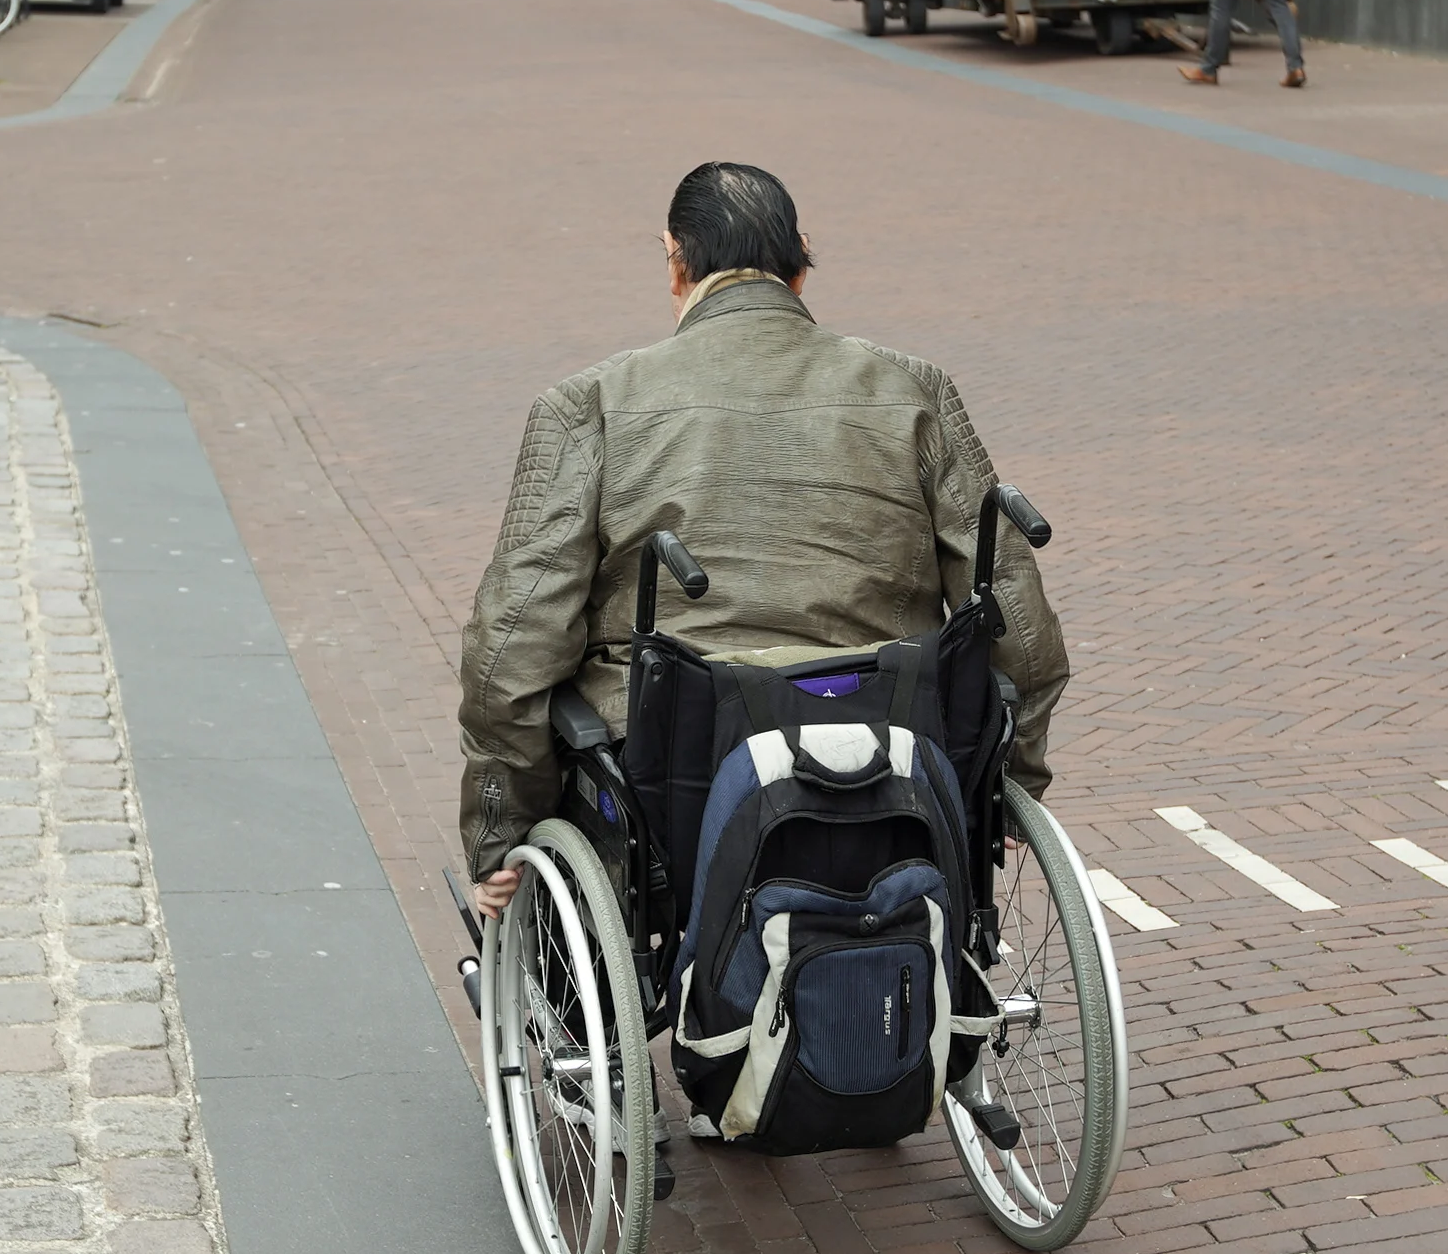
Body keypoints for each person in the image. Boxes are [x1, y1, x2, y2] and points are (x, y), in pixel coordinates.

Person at [458, 161, 1070, 922]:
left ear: (675, 262)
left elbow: (510, 650)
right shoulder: (913, 389)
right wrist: (1008, 784)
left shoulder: (591, 406)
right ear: (800, 262)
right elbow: (1022, 625)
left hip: (676, 762)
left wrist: (502, 831)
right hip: (889, 741)